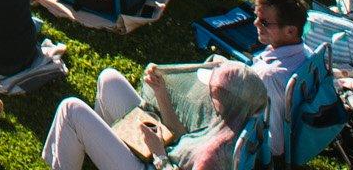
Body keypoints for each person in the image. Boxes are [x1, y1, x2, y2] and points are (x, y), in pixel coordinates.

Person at [42, 56, 268, 170]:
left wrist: (159, 153)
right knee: (110, 79)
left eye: (215, 93)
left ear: (230, 100)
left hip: (153, 164)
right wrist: (161, 94)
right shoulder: (233, 120)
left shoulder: (213, 155)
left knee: (71, 109)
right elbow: (182, 138)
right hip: (160, 153)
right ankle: (92, 148)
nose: (209, 95)